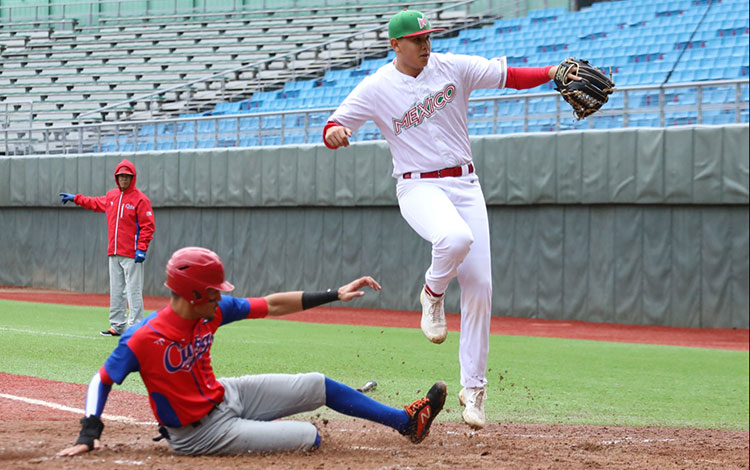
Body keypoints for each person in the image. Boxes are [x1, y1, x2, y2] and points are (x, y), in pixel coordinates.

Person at [323, 9, 579, 429]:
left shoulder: (453, 67)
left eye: (428, 36)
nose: (425, 43)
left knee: (480, 285)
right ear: (395, 45)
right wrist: (335, 133)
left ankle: (473, 389)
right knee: (455, 238)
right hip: (417, 187)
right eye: (417, 39)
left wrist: (552, 71)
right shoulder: (376, 87)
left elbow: (509, 76)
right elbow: (334, 125)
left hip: (464, 183)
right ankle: (432, 293)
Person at [57, 246, 447, 456]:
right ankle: (253, 434)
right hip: (198, 435)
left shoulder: (213, 311)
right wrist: (89, 432)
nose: (222, 296)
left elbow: (272, 304)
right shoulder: (143, 338)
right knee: (308, 437)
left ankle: (406, 422)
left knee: (317, 385)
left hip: (227, 395)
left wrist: (334, 293)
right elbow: (102, 379)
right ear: (194, 294)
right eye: (214, 291)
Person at [59, 159, 155, 337]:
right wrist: (76, 199)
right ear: (116, 178)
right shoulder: (112, 196)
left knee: (133, 290)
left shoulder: (141, 199)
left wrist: (142, 248)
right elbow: (94, 202)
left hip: (132, 254)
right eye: (120, 176)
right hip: (114, 252)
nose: (123, 179)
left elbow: (148, 226)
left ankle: (135, 327)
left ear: (132, 178)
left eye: (127, 176)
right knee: (116, 289)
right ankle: (117, 326)